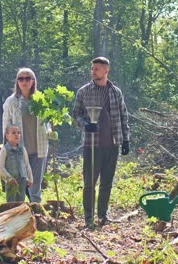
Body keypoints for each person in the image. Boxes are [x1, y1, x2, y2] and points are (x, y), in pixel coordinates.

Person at [71, 57, 130, 230]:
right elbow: (76, 114)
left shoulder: (115, 92)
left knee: (107, 182)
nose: (93, 71)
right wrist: (85, 125)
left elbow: (123, 116)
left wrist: (126, 139)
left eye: (97, 68)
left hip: (112, 144)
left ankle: (103, 215)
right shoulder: (84, 91)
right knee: (90, 183)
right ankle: (88, 218)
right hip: (92, 145)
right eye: (92, 68)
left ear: (106, 70)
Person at [1, 68, 53, 203]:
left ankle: (36, 214)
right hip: (18, 150)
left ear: (33, 81)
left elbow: (47, 122)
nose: (24, 81)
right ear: (17, 82)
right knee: (19, 185)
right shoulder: (11, 102)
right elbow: (6, 126)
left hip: (39, 148)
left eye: (27, 78)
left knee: (35, 186)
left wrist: (51, 133)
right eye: (21, 79)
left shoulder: (41, 100)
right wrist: (6, 147)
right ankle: (18, 214)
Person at [0, 125, 33, 203]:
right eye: (13, 133)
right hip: (11, 181)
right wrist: (9, 178)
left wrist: (30, 178)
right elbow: (1, 167)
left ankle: (20, 214)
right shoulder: (4, 150)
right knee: (11, 201)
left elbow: (27, 165)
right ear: (7, 136)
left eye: (18, 133)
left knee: (21, 200)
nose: (16, 135)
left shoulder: (22, 149)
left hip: (22, 179)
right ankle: (11, 214)